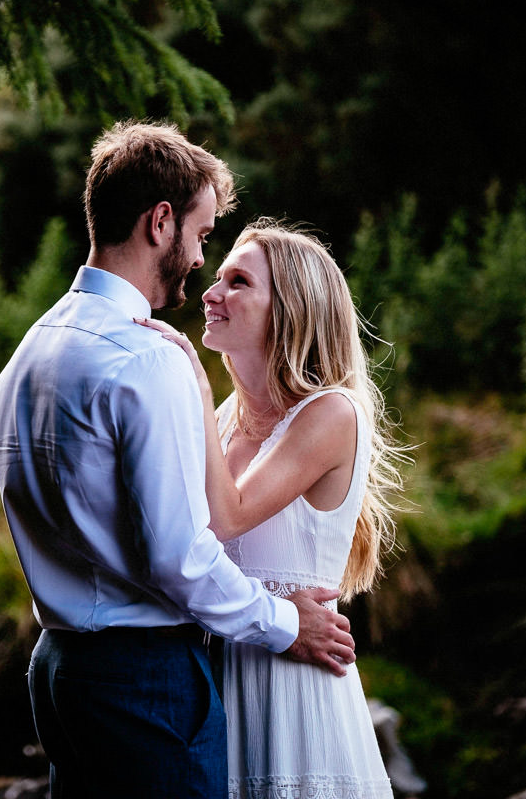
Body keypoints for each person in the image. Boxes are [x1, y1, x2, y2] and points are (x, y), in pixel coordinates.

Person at [0, 121, 356, 799]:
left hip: (59, 669)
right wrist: (285, 625)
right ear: (161, 222)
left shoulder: (28, 354)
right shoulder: (147, 359)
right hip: (143, 681)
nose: (197, 258)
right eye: (202, 235)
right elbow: (179, 557)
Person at [138, 218, 408, 799]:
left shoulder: (332, 413)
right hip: (214, 682)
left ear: (291, 309)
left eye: (238, 282)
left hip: (292, 690)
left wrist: (196, 387)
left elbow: (229, 516)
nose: (210, 292)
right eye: (219, 278)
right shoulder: (227, 420)